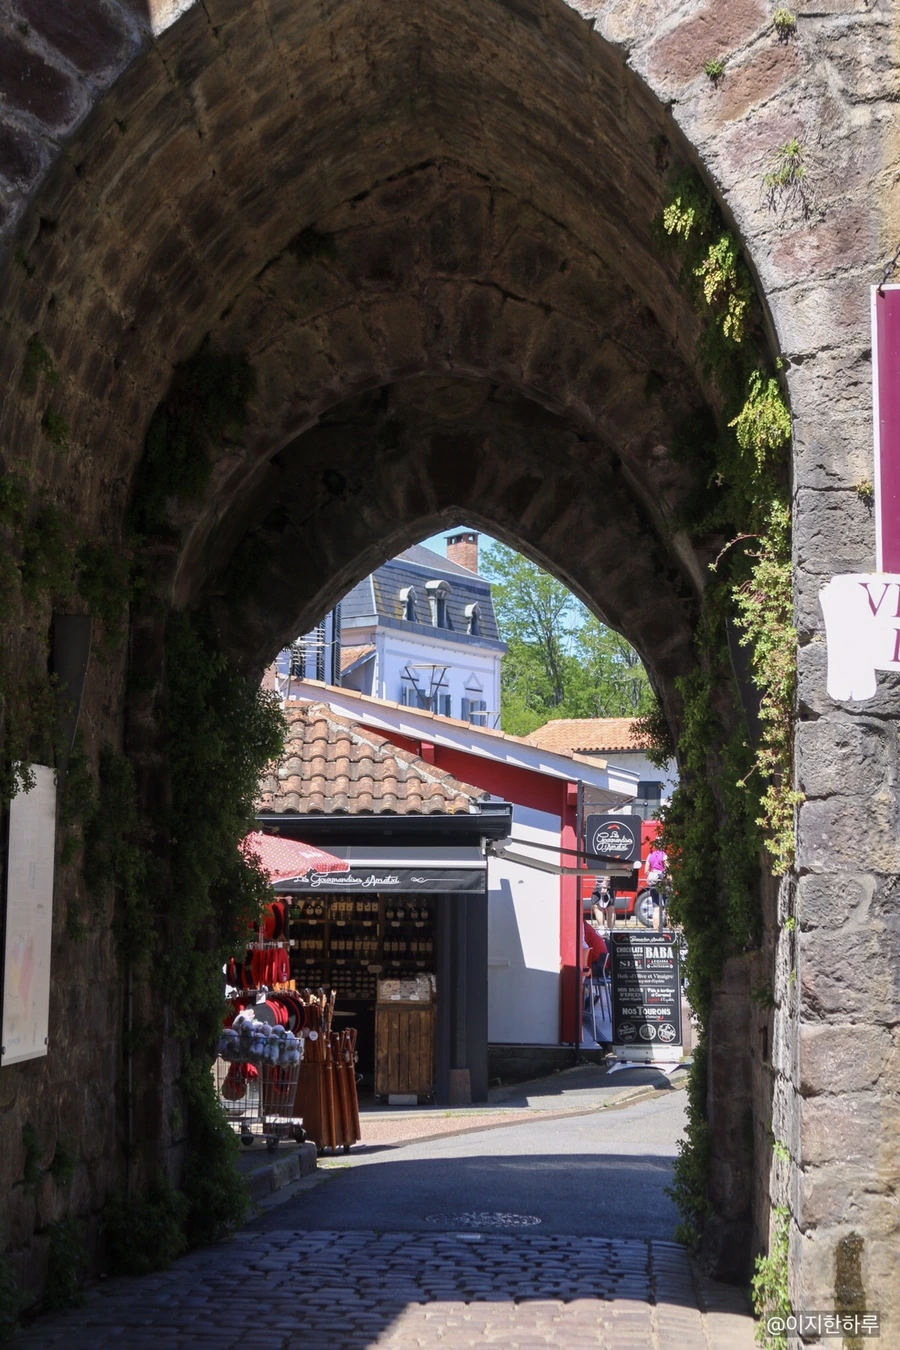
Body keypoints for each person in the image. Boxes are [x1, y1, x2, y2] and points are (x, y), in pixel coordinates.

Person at [645, 841, 668, 931]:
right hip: (664, 882)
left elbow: (646, 870)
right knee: (668, 908)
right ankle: (671, 931)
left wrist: (653, 875)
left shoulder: (650, 855)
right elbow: (668, 868)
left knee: (656, 908)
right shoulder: (664, 855)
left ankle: (656, 931)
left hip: (653, 883)